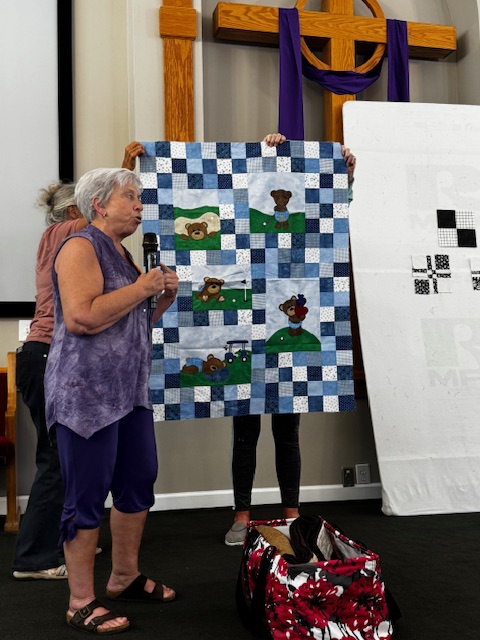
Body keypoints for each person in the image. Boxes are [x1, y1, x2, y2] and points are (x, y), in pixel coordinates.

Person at [43, 166, 178, 634]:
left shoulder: (123, 253)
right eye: (130, 197)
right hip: (86, 396)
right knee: (85, 497)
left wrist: (161, 299)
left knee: (138, 482)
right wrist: (142, 288)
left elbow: (130, 322)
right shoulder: (79, 246)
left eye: (139, 198)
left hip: (128, 392)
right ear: (99, 204)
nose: (139, 206)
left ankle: (124, 577)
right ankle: (80, 601)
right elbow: (82, 318)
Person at [12, 143, 145, 580]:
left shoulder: (66, 237)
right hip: (51, 354)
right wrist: (123, 170)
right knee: (57, 463)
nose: (137, 206)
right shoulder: (69, 237)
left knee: (65, 464)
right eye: (128, 198)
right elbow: (99, 214)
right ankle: (35, 558)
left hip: (45, 353)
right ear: (80, 210)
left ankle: (60, 548)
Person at [225, 133, 356, 546]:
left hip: (287, 345)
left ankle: (292, 514)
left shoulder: (302, 234)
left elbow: (330, 215)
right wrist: (267, 155)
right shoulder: (248, 227)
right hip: (247, 332)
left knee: (288, 433)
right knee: (244, 434)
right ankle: (242, 516)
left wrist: (344, 177)